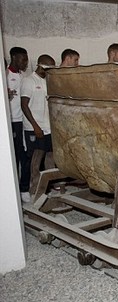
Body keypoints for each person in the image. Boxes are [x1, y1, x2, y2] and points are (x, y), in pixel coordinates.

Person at [20, 54, 56, 199]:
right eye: (49, 67)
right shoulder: (29, 81)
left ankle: (46, 188)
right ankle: (32, 189)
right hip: (34, 127)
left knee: (49, 157)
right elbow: (24, 105)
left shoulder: (47, 81)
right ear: (41, 65)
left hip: (47, 126)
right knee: (35, 159)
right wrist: (35, 126)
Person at [7, 47, 29, 202]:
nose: (25, 62)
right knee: (13, 158)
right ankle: (11, 190)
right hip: (12, 122)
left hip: (24, 122)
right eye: (23, 59)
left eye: (26, 59)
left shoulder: (24, 76)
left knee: (25, 157)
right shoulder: (5, 75)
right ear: (14, 57)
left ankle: (24, 189)